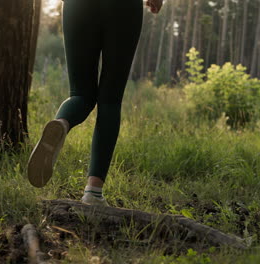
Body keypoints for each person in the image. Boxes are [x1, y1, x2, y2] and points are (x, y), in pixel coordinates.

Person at [27, 0, 163, 206]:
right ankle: (93, 192)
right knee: (110, 100)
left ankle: (61, 124)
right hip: (123, 9)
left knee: (80, 95)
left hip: (78, 5)